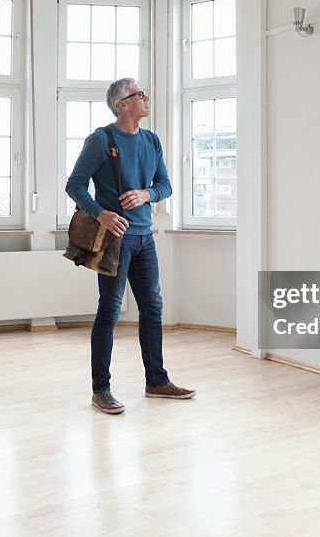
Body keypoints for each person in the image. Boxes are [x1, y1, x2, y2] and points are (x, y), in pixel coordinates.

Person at [65, 77, 196, 414]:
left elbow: (165, 184)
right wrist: (102, 214)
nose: (146, 97)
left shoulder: (151, 140)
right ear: (122, 104)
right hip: (115, 240)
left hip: (145, 239)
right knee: (108, 311)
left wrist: (146, 194)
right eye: (140, 94)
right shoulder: (100, 140)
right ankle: (101, 390)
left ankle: (157, 380)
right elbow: (75, 185)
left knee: (152, 309)